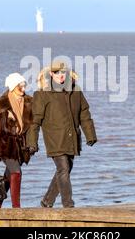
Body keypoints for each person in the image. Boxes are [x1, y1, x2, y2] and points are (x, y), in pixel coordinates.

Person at [26, 61, 97, 208]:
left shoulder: (75, 91)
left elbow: (84, 114)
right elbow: (35, 121)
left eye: (63, 72)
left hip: (72, 138)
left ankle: (47, 201)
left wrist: (90, 135)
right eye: (57, 72)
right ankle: (68, 205)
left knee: (65, 169)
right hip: (54, 139)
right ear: (51, 74)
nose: (61, 76)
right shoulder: (42, 94)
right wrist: (32, 142)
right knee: (63, 168)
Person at [0, 73, 33, 208]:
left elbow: (34, 124)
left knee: (9, 175)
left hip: (21, 146)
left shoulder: (30, 101)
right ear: (13, 87)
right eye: (20, 87)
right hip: (5, 145)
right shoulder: (1, 104)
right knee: (16, 172)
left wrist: (32, 143)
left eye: (24, 86)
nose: (23, 89)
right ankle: (16, 208)